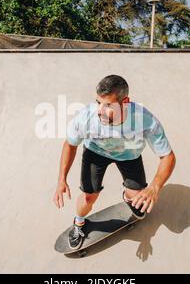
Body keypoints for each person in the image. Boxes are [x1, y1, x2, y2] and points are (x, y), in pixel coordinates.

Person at [53, 75, 176, 250]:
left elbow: (168, 156)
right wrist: (61, 179)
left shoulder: (145, 120)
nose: (100, 111)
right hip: (96, 153)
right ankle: (79, 223)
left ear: (125, 102)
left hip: (129, 155)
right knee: (89, 197)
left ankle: (128, 196)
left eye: (108, 105)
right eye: (98, 103)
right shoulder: (86, 117)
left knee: (137, 200)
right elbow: (70, 144)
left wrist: (154, 188)